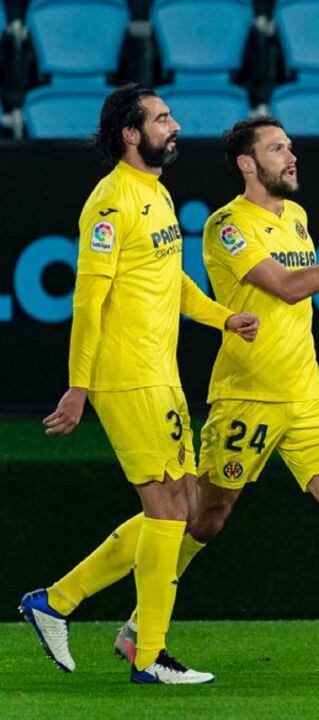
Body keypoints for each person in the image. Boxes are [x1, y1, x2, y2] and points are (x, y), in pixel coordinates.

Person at [108, 116, 319, 674]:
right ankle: (139, 627)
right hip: (248, 397)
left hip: (306, 394)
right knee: (203, 517)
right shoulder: (226, 226)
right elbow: (287, 288)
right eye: (277, 148)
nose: (291, 156)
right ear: (247, 164)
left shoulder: (296, 216)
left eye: (290, 146)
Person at [19, 84, 259, 684]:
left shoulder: (156, 193)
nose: (174, 126)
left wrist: (221, 316)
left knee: (177, 506)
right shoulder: (109, 203)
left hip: (162, 374)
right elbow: (88, 299)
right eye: (162, 118)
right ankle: (149, 656)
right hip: (125, 377)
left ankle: (55, 603)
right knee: (169, 511)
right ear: (131, 133)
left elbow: (171, 280)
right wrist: (78, 387)